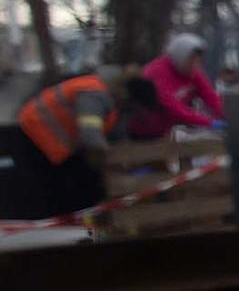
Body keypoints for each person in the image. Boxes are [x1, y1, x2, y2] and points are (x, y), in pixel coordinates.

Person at [13, 70, 161, 217]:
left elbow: (117, 138)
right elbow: (91, 136)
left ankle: (75, 221)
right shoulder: (95, 95)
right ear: (131, 100)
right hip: (34, 134)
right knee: (53, 189)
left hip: (54, 143)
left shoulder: (116, 107)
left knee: (79, 184)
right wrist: (110, 161)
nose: (138, 116)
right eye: (138, 110)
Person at [130, 33, 225, 139]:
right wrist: (210, 123)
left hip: (165, 130)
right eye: (191, 59)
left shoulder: (191, 72)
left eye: (198, 60)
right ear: (181, 56)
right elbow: (173, 108)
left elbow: (210, 96)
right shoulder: (158, 73)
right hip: (142, 131)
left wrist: (226, 115)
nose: (196, 64)